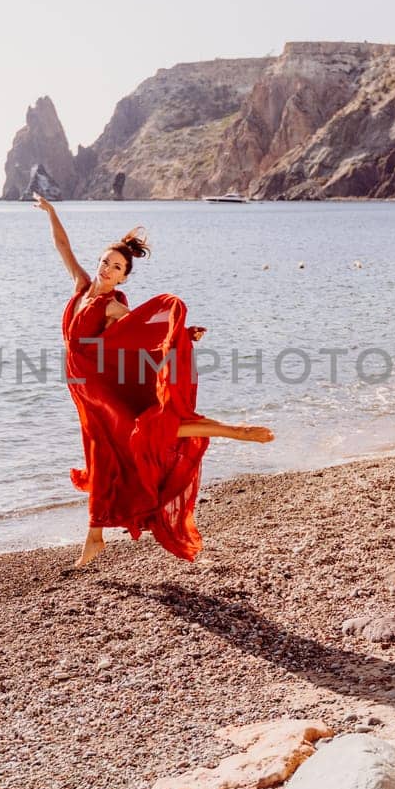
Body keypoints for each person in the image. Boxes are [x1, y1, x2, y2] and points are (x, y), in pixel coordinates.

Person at [34, 192, 272, 568]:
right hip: (80, 391)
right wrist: (52, 212)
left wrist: (184, 334)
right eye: (105, 262)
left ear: (125, 276)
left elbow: (147, 331)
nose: (107, 269)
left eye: (115, 267)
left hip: (97, 388)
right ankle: (94, 537)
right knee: (101, 458)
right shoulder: (81, 286)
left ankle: (230, 431)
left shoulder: (111, 305)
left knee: (138, 434)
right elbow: (62, 246)